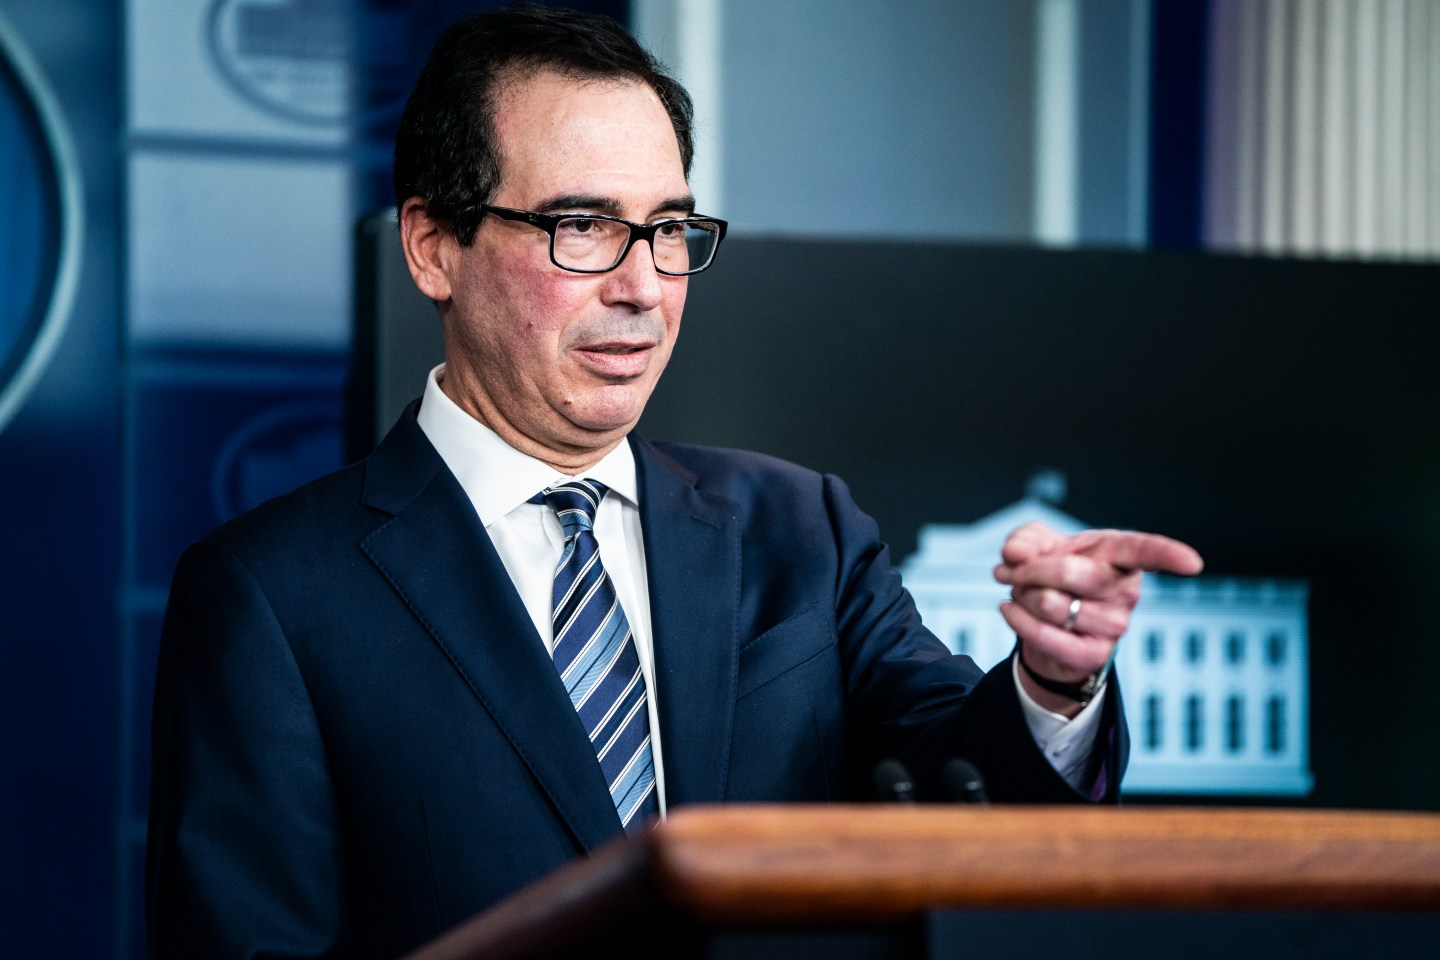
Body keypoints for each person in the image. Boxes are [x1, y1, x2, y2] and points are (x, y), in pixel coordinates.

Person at [145, 4, 1203, 958]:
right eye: (583, 227)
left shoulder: (803, 530)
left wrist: (1053, 685)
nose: (644, 286)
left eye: (668, 230)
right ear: (433, 248)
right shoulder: (274, 596)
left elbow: (965, 796)